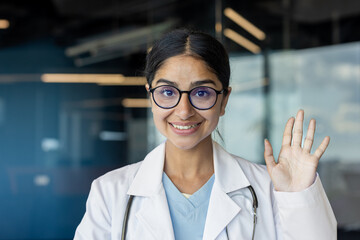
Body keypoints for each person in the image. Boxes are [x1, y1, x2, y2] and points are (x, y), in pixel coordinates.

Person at [74, 29, 337, 240]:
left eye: (202, 93)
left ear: (224, 101)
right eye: (167, 92)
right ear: (151, 97)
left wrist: (298, 196)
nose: (184, 110)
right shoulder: (110, 192)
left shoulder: (269, 189)